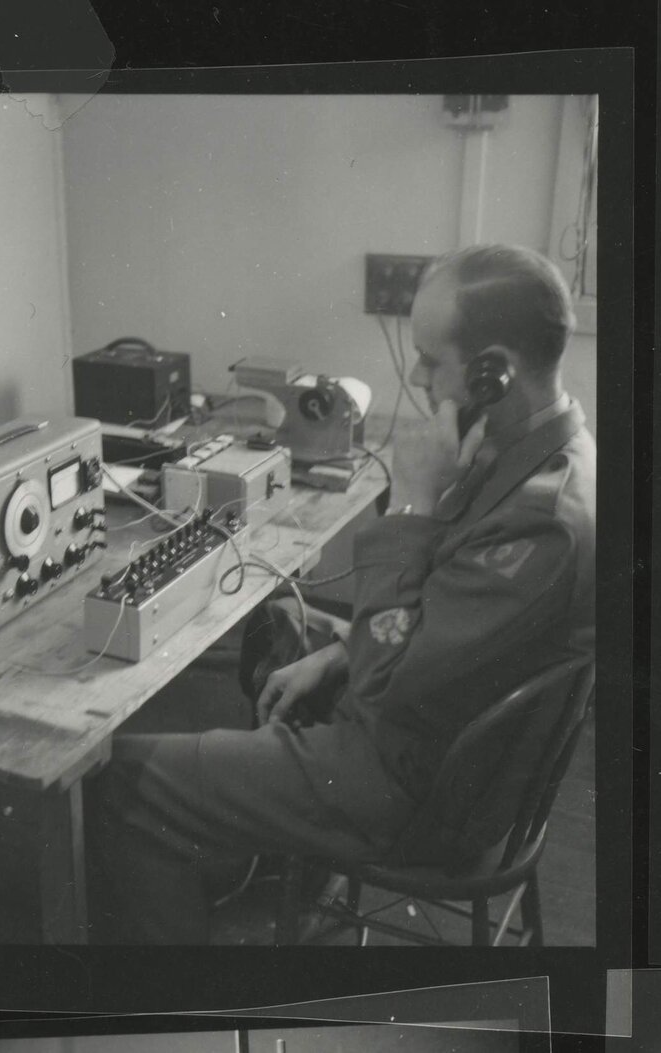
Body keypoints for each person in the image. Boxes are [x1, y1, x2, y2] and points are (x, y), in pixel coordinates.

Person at [85, 244, 596, 944]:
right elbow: (440, 617)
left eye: (430, 359)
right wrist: (336, 655)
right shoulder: (533, 454)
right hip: (430, 731)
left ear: (492, 372)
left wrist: (411, 501)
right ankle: (260, 853)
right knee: (274, 630)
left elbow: (392, 676)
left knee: (119, 784)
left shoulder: (542, 520)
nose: (416, 377)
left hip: (411, 786)